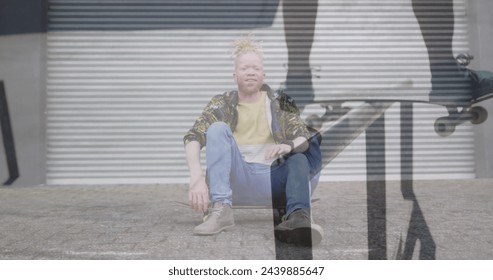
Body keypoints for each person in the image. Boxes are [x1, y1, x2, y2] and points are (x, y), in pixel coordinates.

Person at [183, 35, 323, 246]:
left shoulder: (281, 101)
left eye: (256, 68)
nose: (250, 72)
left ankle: (299, 218)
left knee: (301, 155)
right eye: (245, 68)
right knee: (216, 128)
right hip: (237, 178)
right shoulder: (221, 103)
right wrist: (196, 179)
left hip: (273, 179)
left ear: (263, 74)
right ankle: (221, 210)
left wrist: (289, 145)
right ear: (234, 75)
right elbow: (194, 136)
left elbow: (303, 134)